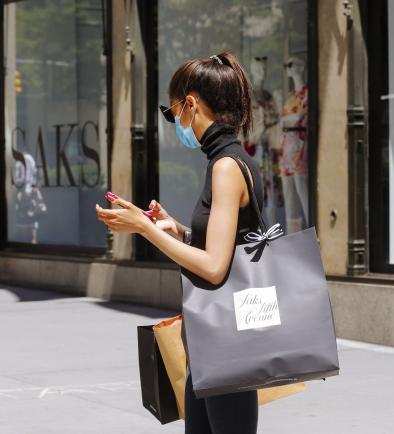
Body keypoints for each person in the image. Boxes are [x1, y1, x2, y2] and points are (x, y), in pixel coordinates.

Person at [95, 51, 261, 434]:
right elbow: (226, 248)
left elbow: (215, 267)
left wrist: (144, 229)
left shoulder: (225, 167)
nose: (175, 124)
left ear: (191, 104)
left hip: (226, 343)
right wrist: (177, 230)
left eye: (172, 114)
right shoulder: (231, 160)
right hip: (212, 340)